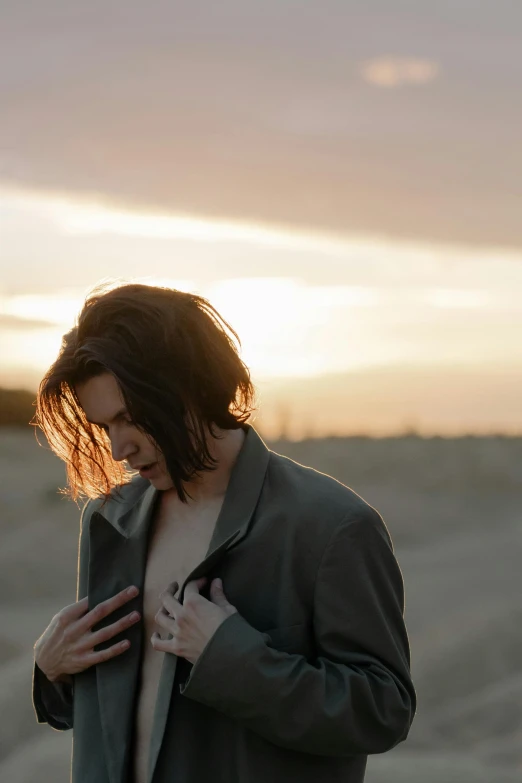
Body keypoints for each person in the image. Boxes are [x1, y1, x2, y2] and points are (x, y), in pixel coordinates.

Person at [32, 282, 416, 783]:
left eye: (130, 418)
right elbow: (109, 714)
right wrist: (54, 673)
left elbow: (382, 711)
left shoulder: (331, 526)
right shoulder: (110, 520)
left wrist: (234, 660)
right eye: (105, 427)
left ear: (189, 386)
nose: (119, 448)